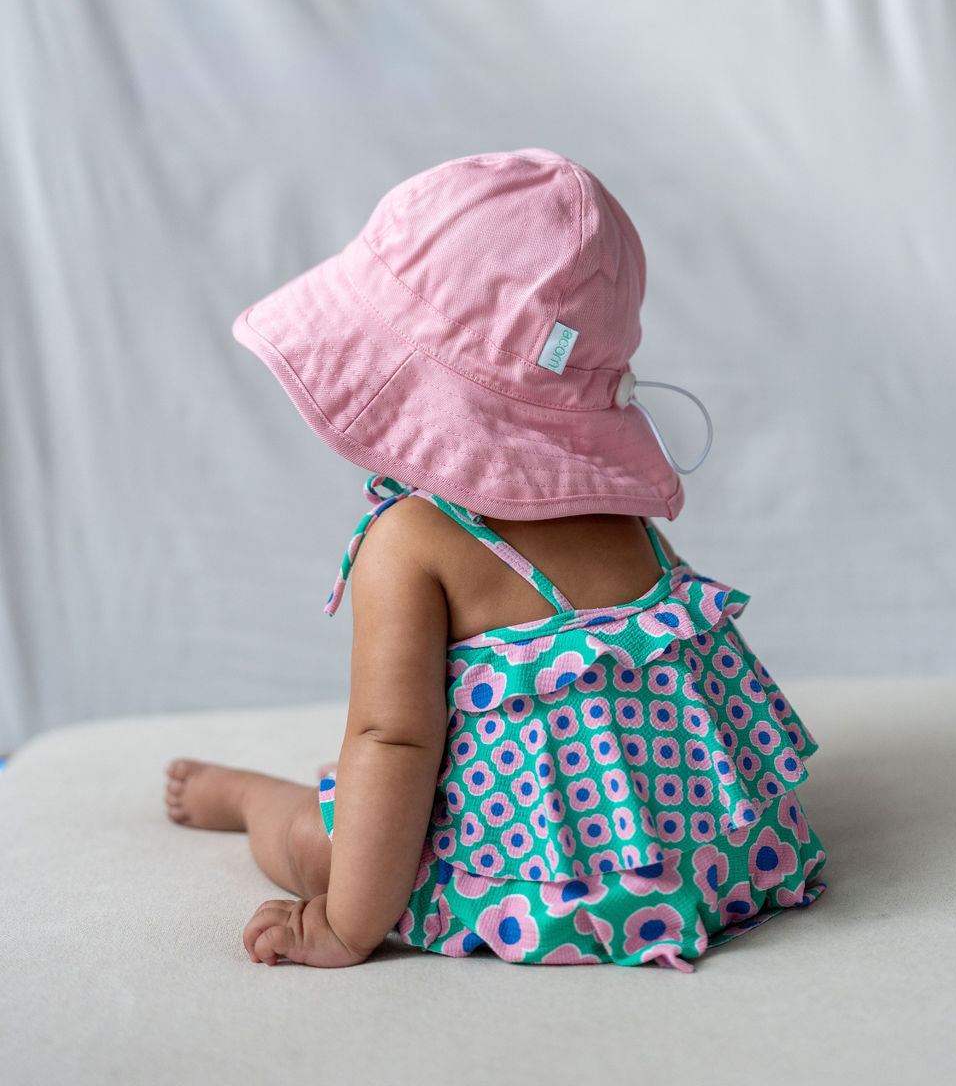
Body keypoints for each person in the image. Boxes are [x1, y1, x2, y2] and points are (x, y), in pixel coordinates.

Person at [165, 147, 828, 971]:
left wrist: (345, 923)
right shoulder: (621, 512)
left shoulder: (409, 540)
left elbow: (394, 742)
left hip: (533, 892)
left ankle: (253, 798)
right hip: (715, 864)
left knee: (319, 837)